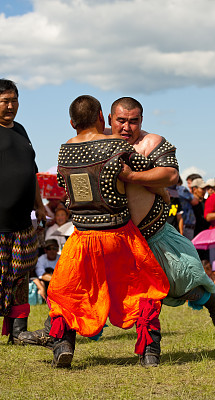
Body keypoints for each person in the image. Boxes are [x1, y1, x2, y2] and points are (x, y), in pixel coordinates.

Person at [32, 95, 170, 368]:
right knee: (145, 289)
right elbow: (150, 172)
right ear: (100, 118)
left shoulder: (64, 151)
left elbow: (62, 182)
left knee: (66, 291)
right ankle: (149, 351)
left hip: (81, 236)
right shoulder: (117, 146)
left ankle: (62, 345)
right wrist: (163, 193)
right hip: (120, 236)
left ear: (71, 123)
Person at [108, 97, 215, 332]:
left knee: (179, 283)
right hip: (113, 236)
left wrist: (132, 176)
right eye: (121, 120)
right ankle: (62, 334)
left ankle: (211, 299)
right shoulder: (98, 140)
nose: (126, 127)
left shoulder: (152, 141)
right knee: (89, 285)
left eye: (133, 121)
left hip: (152, 232)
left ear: (141, 120)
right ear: (110, 118)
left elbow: (170, 175)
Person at [0, 79, 46, 344]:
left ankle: (19, 332)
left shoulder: (21, 130)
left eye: (14, 100)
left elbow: (32, 173)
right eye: (5, 101)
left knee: (20, 275)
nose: (10, 106)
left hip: (22, 221)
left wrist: (39, 204)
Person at [191, 178, 210, 259]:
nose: (204, 191)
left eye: (205, 189)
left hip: (206, 237)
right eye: (202, 189)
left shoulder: (207, 202)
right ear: (194, 189)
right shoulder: (187, 203)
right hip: (193, 236)